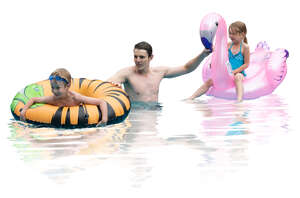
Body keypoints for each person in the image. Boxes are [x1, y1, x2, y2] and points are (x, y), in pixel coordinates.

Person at [107, 41, 211, 102]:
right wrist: (113, 86)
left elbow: (186, 68)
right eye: (135, 57)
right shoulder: (126, 74)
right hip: (136, 115)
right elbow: (107, 83)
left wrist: (203, 55)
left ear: (150, 57)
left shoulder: (159, 73)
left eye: (142, 57)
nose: (137, 60)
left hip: (155, 113)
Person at [20, 68, 108, 126]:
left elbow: (101, 102)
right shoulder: (53, 99)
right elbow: (34, 99)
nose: (54, 91)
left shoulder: (76, 98)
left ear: (68, 86)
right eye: (52, 88)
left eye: (58, 88)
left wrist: (104, 119)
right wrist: (24, 110)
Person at [188, 21, 250, 103]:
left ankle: (239, 100)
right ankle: (191, 97)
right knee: (210, 81)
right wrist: (213, 64)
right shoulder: (228, 45)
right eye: (230, 33)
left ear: (242, 34)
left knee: (237, 77)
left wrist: (235, 72)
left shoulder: (245, 47)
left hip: (239, 73)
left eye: (234, 34)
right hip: (226, 73)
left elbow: (246, 64)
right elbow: (221, 57)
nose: (231, 36)